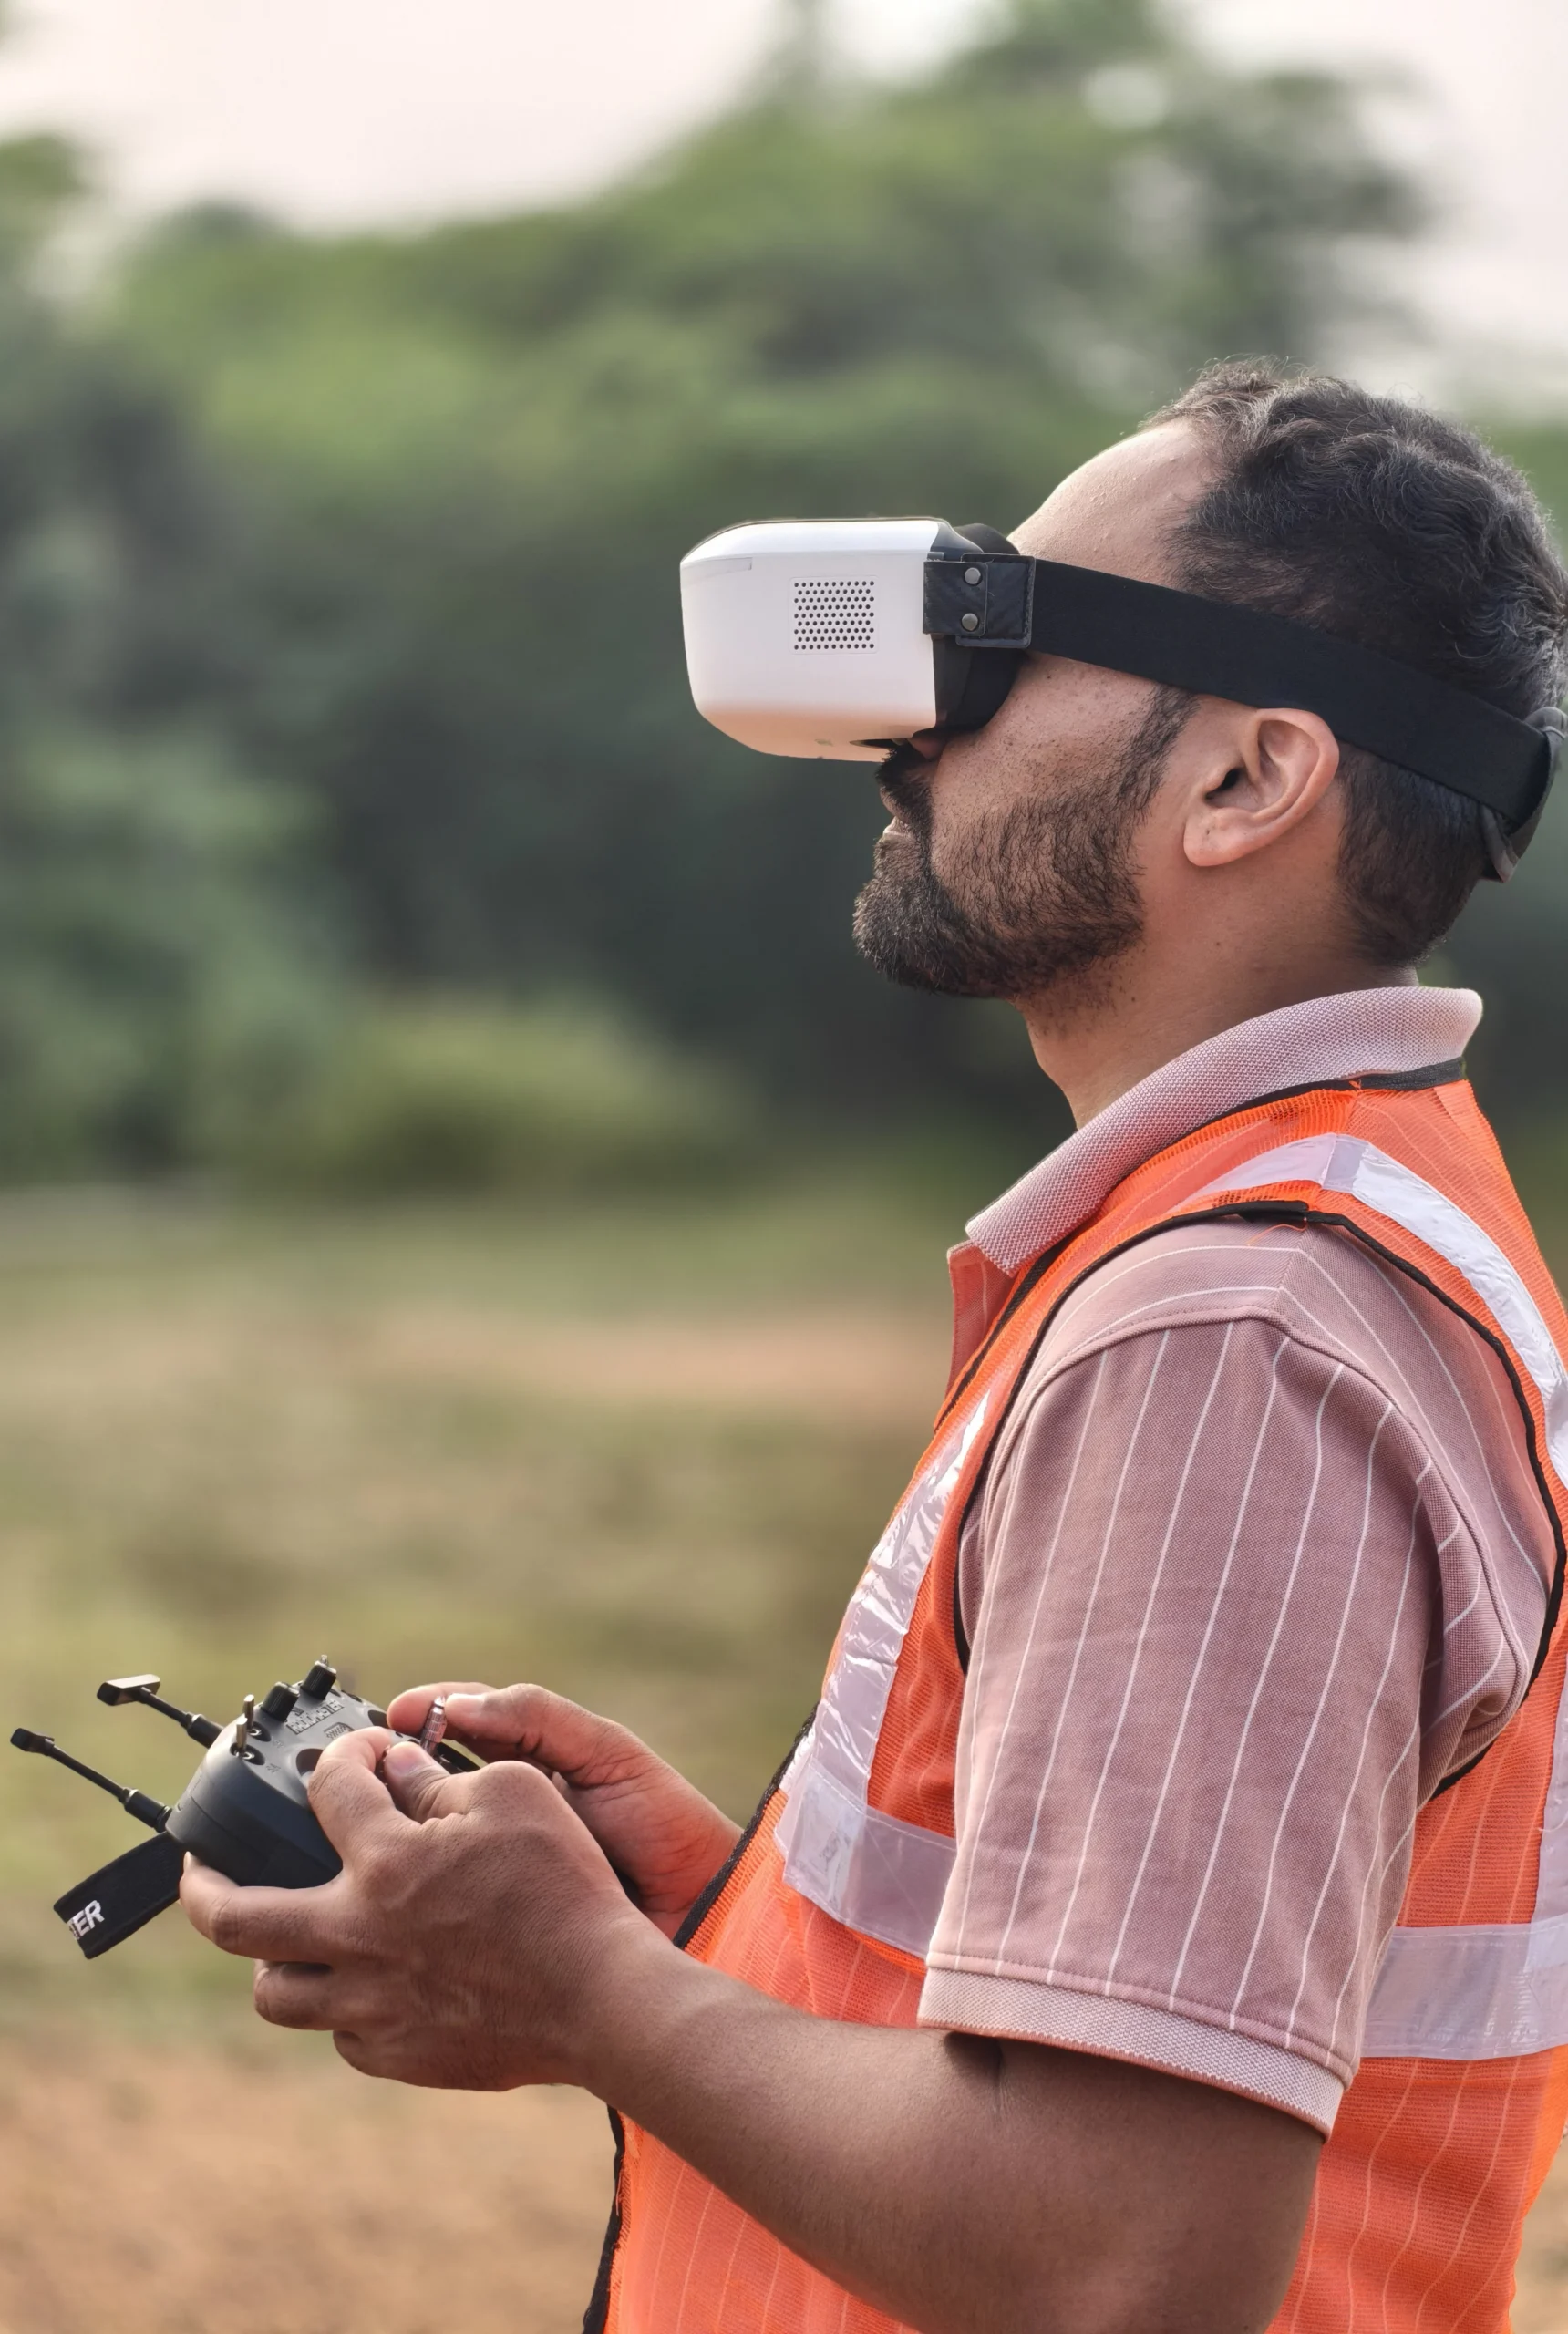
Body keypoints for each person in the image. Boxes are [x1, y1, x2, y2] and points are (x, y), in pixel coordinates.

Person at [181, 366, 1568, 2334]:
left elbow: (1120, 2259)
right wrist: (723, 1923)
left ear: (1246, 782)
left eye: (994, 645)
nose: (907, 731)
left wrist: (590, 1988)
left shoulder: (1232, 1336)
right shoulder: (1343, 1215)